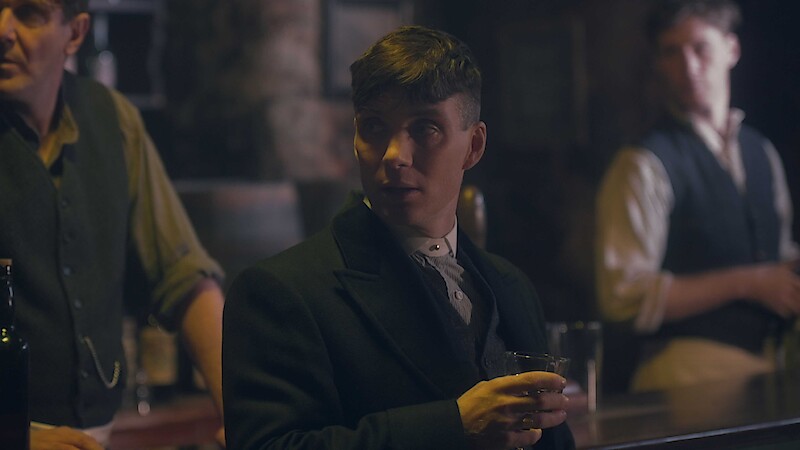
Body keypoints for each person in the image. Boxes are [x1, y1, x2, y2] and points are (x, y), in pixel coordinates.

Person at [223, 25, 574, 450]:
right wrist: (454, 425)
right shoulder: (281, 292)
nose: (394, 155)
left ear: (473, 146)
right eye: (373, 126)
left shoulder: (511, 286)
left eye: (425, 129)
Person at [0, 0, 226, 447]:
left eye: (28, 13)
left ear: (76, 33)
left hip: (99, 432)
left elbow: (184, 274)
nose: (2, 30)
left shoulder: (113, 117)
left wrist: (244, 408)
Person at [596, 0, 800, 392]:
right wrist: (748, 282)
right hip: (686, 372)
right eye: (672, 52)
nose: (688, 67)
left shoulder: (761, 152)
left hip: (771, 365)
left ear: (731, 49)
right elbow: (623, 297)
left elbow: (780, 254)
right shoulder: (643, 163)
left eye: (700, 48)